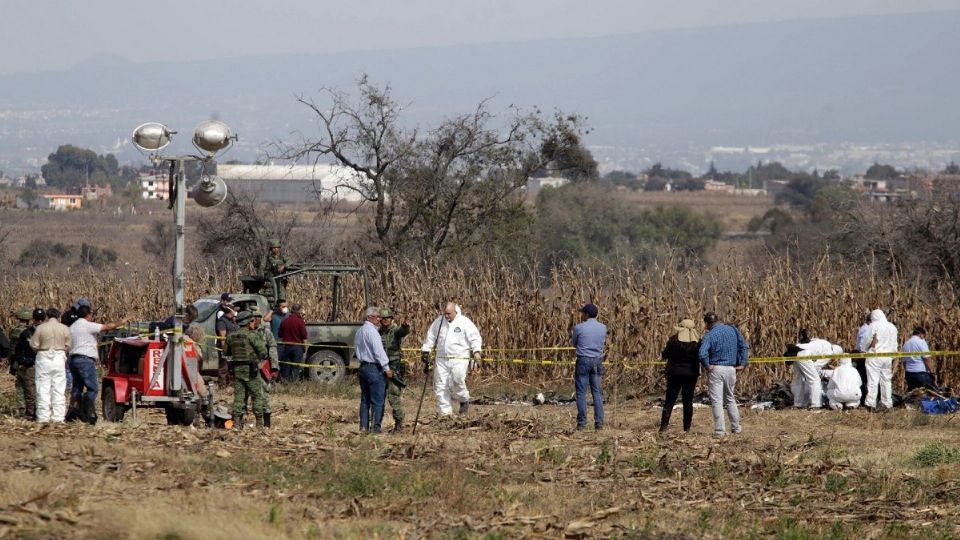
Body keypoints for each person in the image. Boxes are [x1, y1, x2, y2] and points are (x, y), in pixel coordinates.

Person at [68, 305, 128, 424]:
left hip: (73, 360)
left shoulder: (72, 327)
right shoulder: (88, 325)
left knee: (77, 387)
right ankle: (88, 412)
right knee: (93, 388)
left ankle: (73, 412)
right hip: (85, 360)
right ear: (88, 315)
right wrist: (123, 321)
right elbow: (108, 327)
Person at [421, 302, 482, 417]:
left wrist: (476, 352)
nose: (447, 316)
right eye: (445, 314)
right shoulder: (439, 322)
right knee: (440, 385)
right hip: (441, 359)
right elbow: (431, 337)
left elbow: (475, 337)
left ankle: (463, 399)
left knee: (457, 379)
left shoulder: (464, 322)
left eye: (449, 314)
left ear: (455, 312)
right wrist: (426, 350)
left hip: (459, 358)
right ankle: (445, 414)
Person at [698, 311, 749, 438]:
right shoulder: (733, 330)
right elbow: (744, 346)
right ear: (718, 320)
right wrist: (743, 363)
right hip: (731, 369)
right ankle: (736, 428)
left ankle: (720, 431)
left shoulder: (709, 335)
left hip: (717, 369)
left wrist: (707, 366)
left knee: (717, 401)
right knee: (730, 398)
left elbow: (702, 353)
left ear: (707, 323)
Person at [224, 311, 267, 428]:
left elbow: (226, 352)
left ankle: (237, 423)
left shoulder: (231, 336)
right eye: (252, 321)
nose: (254, 323)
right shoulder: (252, 335)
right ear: (248, 323)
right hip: (251, 370)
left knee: (239, 397)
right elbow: (263, 352)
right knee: (256, 396)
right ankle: (259, 424)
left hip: (237, 369)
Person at [29, 308, 72, 423]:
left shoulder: (41, 328)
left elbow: (33, 344)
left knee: (43, 388)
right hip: (59, 357)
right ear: (58, 316)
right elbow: (68, 345)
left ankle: (43, 417)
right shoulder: (64, 328)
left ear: (47, 316)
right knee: (58, 388)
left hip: (43, 356)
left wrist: (40, 349)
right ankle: (58, 418)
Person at [356, 307, 393, 433]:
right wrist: (386, 367)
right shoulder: (372, 332)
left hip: (363, 367)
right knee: (377, 401)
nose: (379, 319)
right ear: (369, 317)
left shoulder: (359, 331)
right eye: (377, 316)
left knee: (365, 399)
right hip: (373, 368)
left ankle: (363, 427)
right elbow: (378, 352)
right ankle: (375, 429)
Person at [660, 318, 700, 433]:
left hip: (674, 374)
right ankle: (686, 428)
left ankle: (663, 427)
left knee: (669, 401)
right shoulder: (697, 343)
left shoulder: (673, 341)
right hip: (691, 375)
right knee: (688, 401)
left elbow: (665, 354)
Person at [571, 303, 607, 431]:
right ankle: (599, 423)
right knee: (597, 392)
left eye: (582, 313)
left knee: (581, 392)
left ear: (586, 314)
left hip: (583, 360)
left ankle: (582, 423)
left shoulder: (578, 328)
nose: (581, 315)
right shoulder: (603, 328)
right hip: (597, 360)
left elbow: (574, 343)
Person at [378, 307, 410, 433]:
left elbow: (402, 331)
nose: (385, 320)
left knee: (393, 396)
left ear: (391, 319)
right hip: (380, 367)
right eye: (383, 318)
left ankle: (399, 424)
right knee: (380, 397)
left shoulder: (394, 330)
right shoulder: (378, 332)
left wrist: (405, 326)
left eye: (387, 318)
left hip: (393, 367)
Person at [863, 309, 898, 410]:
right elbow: (894, 343)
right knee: (886, 380)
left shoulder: (874, 325)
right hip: (887, 357)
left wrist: (865, 349)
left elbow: (867, 339)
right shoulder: (892, 327)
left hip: (874, 356)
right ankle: (887, 403)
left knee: (873, 380)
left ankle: (870, 403)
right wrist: (892, 356)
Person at [14, 309, 45, 420]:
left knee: (38, 390)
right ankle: (30, 412)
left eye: (41, 319)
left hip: (42, 365)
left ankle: (36, 412)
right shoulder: (26, 333)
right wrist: (23, 361)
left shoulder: (46, 333)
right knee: (29, 390)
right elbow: (18, 349)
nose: (39, 322)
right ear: (33, 319)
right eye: (38, 319)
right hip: (29, 366)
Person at [251, 305, 279, 427]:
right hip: (250, 366)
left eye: (256, 317)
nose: (255, 320)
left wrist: (274, 367)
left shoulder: (266, 332)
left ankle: (267, 423)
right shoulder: (246, 332)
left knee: (265, 394)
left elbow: (272, 348)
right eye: (252, 318)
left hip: (263, 367)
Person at [791, 330, 834, 409]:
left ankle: (798, 404)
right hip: (804, 354)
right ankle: (815, 404)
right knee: (814, 379)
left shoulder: (820, 342)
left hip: (794, 351)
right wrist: (821, 374)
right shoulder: (830, 352)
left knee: (798, 379)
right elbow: (816, 366)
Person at [9, 307, 32, 418]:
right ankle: (31, 408)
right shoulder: (31, 331)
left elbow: (12, 349)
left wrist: (12, 363)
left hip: (17, 361)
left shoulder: (14, 330)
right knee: (30, 385)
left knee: (19, 385)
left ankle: (22, 409)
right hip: (30, 362)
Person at [278, 303, 308, 382]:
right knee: (295, 366)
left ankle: (285, 382)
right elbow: (304, 336)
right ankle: (294, 382)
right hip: (297, 347)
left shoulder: (284, 321)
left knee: (286, 365)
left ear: (291, 310)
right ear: (299, 311)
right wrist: (305, 347)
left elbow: (279, 334)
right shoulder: (300, 322)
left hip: (286, 347)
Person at [902, 327, 936, 392]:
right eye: (923, 336)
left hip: (909, 374)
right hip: (921, 373)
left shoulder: (905, 344)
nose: (923, 338)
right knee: (926, 394)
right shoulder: (922, 342)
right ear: (921, 334)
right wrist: (932, 372)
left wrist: (907, 370)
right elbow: (927, 358)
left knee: (913, 395)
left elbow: (904, 362)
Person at [216, 303, 238, 386]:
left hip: (233, 347)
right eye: (234, 310)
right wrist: (224, 351)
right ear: (230, 311)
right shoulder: (222, 321)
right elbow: (222, 337)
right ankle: (222, 385)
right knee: (224, 367)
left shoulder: (232, 320)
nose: (236, 312)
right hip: (225, 347)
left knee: (231, 367)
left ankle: (229, 383)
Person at [853, 313, 871, 406]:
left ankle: (863, 398)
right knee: (865, 378)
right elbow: (862, 345)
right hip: (863, 357)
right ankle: (864, 399)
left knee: (863, 378)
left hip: (861, 356)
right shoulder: (867, 329)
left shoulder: (864, 328)